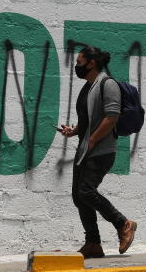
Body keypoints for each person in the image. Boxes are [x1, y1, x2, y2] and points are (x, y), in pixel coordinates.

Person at [58, 46, 137, 258]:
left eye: (79, 62)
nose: (76, 66)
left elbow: (112, 117)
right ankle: (93, 243)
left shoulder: (107, 84)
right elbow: (87, 122)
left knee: (86, 191)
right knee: (79, 196)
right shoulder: (88, 87)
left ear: (91, 63)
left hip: (101, 150)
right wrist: (74, 132)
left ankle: (124, 224)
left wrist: (92, 140)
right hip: (86, 149)